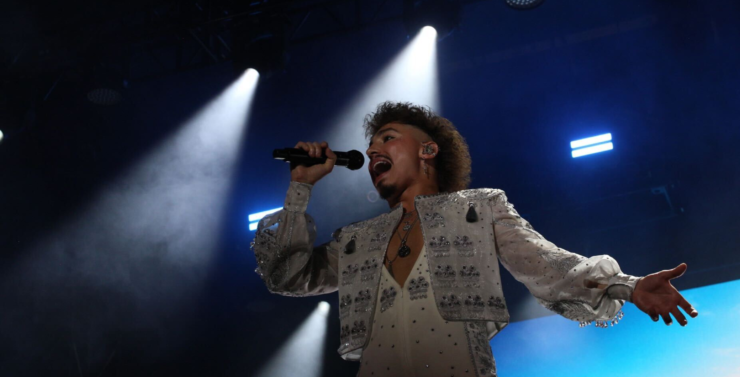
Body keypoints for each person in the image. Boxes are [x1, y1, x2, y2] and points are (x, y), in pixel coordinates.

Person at [251, 101, 698, 376]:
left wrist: (630, 285)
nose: (371, 152)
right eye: (370, 147)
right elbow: (288, 276)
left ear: (428, 150)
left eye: (386, 139)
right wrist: (300, 189)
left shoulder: (478, 208)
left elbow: (546, 264)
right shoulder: (357, 240)